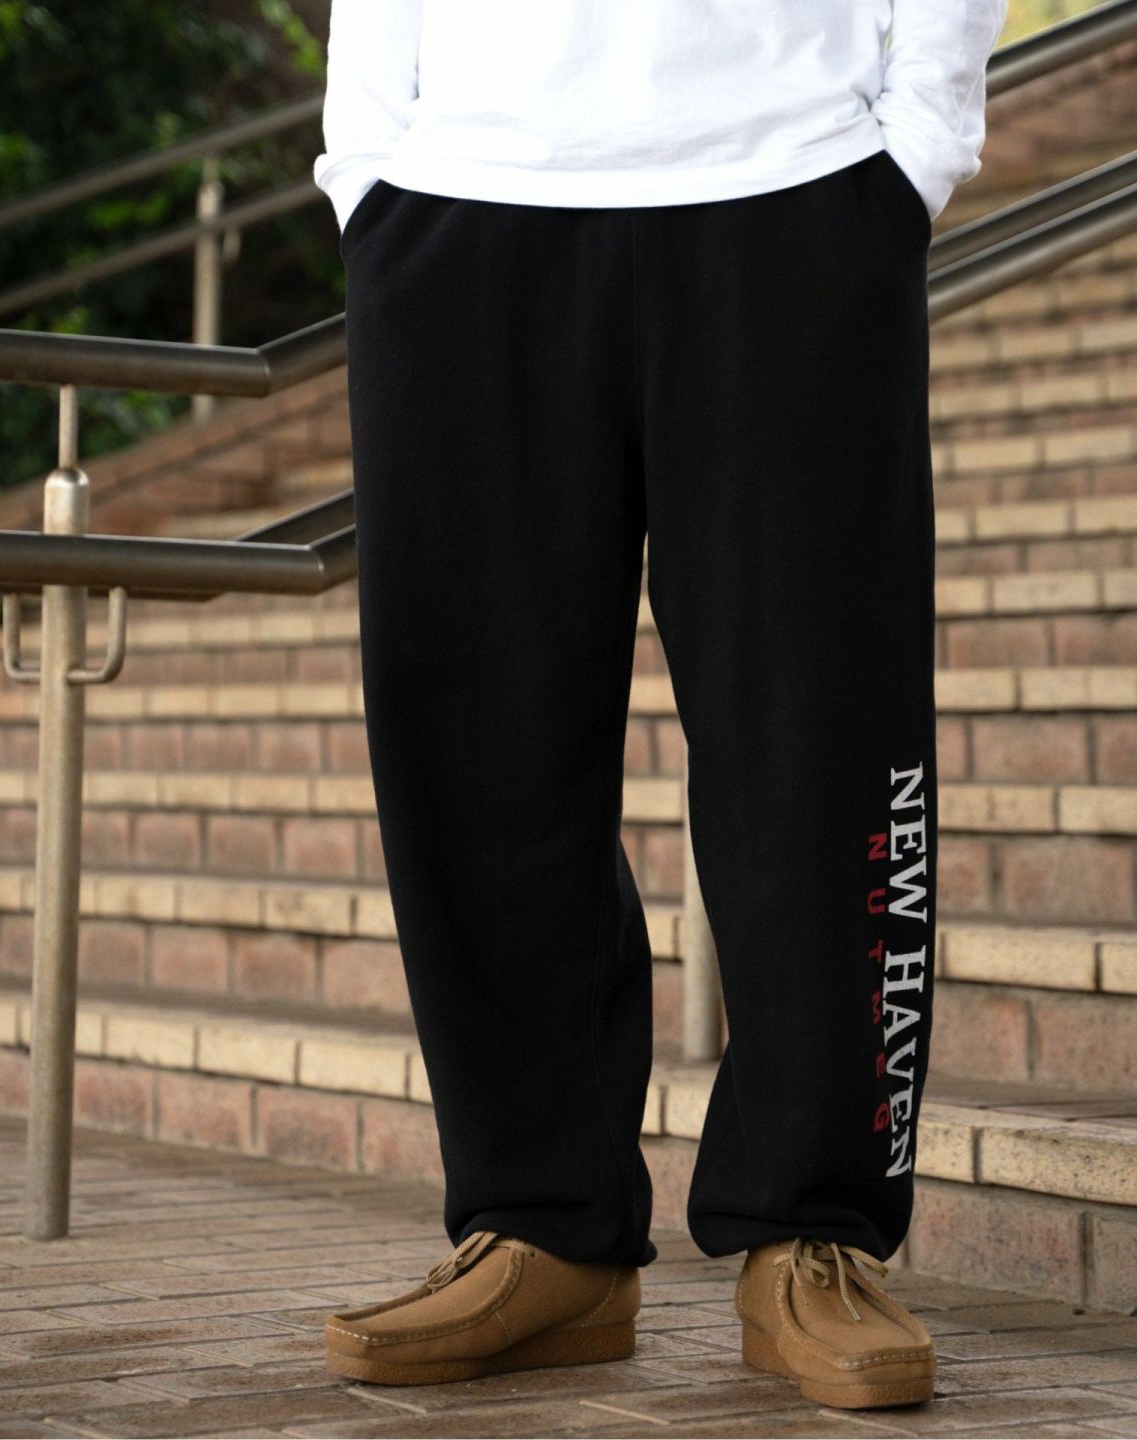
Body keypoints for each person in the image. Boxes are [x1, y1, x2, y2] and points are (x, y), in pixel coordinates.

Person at [315, 0, 1007, 1411]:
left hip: (793, 180)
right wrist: (370, 169)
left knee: (820, 738)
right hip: (457, 193)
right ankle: (543, 1224)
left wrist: (918, 142)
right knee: (479, 750)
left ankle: (813, 1228)